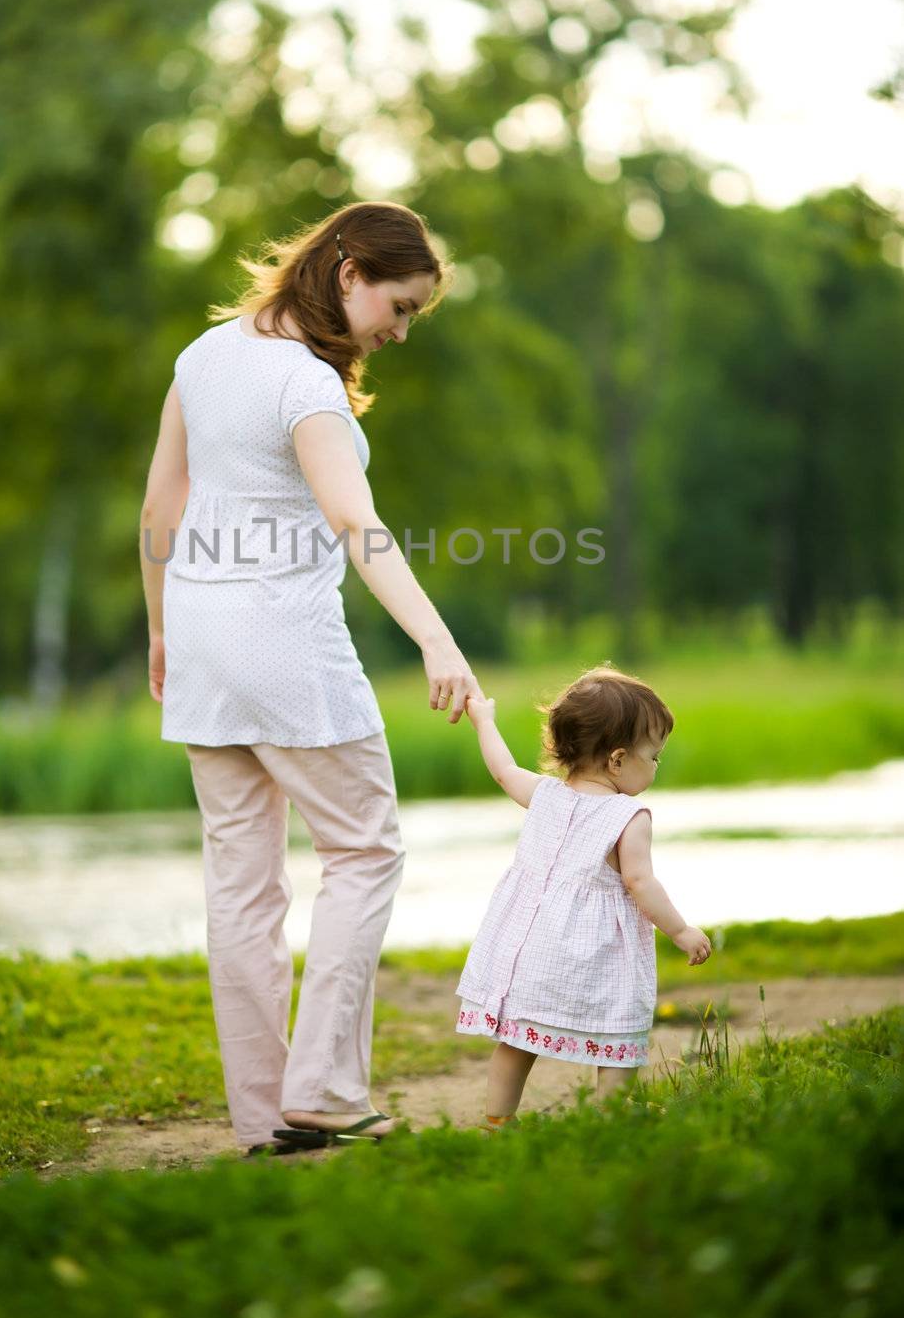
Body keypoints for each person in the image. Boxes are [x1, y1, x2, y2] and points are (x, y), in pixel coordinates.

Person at [139, 200, 485, 1156]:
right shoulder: (306, 389)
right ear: (347, 272)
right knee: (364, 851)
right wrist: (437, 640)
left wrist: (164, 628)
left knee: (241, 890)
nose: (402, 329)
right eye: (400, 304)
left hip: (206, 646)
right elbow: (357, 526)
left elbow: (161, 504)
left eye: (415, 314)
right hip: (286, 646)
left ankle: (263, 1117)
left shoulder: (202, 356)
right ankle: (325, 1092)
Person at [455, 665, 711, 1128]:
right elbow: (640, 882)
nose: (655, 766)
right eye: (653, 756)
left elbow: (502, 770)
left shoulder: (544, 794)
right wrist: (680, 929)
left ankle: (498, 1120)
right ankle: (611, 1112)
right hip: (596, 955)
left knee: (516, 1039)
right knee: (619, 1028)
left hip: (531, 947)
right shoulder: (628, 814)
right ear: (617, 760)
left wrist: (484, 721)